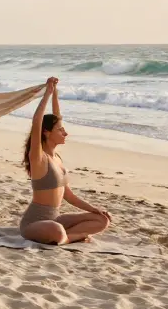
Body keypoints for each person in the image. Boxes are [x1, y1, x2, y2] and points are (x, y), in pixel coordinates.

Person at [19, 77, 112, 244]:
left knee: (102, 220)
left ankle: (67, 237)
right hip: (34, 224)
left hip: (55, 218)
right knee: (56, 231)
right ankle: (71, 237)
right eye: (61, 130)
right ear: (47, 132)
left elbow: (68, 195)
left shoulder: (57, 158)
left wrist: (94, 209)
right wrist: (46, 94)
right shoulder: (38, 158)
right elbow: (37, 123)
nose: (65, 133)